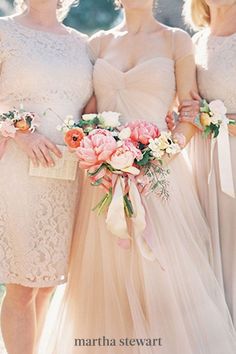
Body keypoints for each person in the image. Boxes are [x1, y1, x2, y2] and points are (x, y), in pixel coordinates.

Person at [44, 1, 236, 353]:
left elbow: (190, 112)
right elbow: (86, 114)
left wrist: (159, 156)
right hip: (104, 179)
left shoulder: (178, 41)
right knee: (107, 278)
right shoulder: (98, 43)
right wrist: (99, 155)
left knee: (163, 276)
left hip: (159, 177)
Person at [0, 1, 93, 353]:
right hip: (19, 170)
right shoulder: (5, 31)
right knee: (23, 285)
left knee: (47, 282)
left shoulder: (82, 43)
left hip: (68, 174)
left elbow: (90, 105)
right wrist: (20, 134)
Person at [177, 0, 236, 325]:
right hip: (200, 160)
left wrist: (221, 121)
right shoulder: (195, 42)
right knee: (205, 246)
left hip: (233, 155)